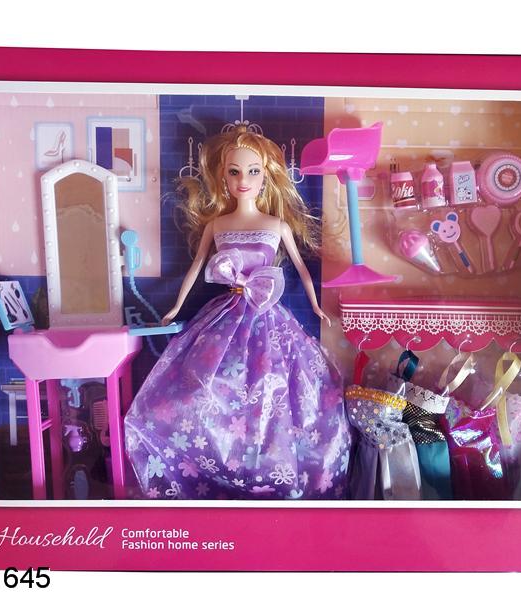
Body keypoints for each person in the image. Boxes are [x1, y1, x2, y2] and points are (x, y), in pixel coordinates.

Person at [124, 126, 351, 500]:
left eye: (253, 171)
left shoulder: (276, 226)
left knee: (278, 390)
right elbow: (196, 267)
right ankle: (209, 469)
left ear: (266, 177)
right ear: (222, 177)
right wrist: (175, 307)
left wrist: (315, 305)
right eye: (234, 171)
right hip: (225, 315)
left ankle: (269, 468)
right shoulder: (217, 225)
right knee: (205, 387)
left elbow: (301, 269)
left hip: (268, 316)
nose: (243, 179)